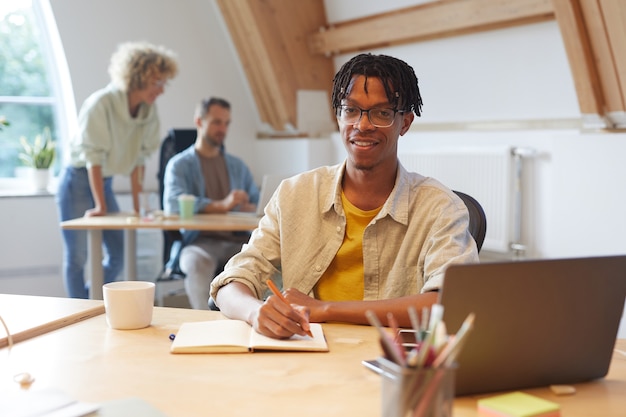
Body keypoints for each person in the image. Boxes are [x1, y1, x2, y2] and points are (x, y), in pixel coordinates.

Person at [210, 53, 479, 339]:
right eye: (351, 110)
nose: (362, 125)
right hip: (303, 355)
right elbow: (232, 282)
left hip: (388, 362)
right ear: (339, 116)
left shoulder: (440, 207)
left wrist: (325, 309)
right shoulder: (294, 195)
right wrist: (255, 311)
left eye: (382, 113)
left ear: (405, 123)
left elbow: (449, 304)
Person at [56, 41, 178, 298]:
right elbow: (94, 159)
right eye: (157, 82)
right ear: (138, 77)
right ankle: (79, 309)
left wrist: (137, 207)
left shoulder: (148, 111)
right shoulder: (101, 103)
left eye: (164, 83)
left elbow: (139, 161)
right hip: (78, 179)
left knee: (119, 254)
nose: (162, 90)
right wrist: (101, 206)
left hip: (105, 180)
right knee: (77, 257)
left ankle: (88, 301)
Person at [163, 97, 260, 309]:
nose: (222, 129)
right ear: (199, 122)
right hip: (199, 243)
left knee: (268, 258)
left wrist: (249, 207)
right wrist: (222, 205)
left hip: (238, 241)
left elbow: (258, 202)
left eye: (226, 123)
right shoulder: (179, 165)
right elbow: (172, 203)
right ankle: (204, 322)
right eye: (217, 122)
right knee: (196, 263)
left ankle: (253, 319)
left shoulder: (237, 166)